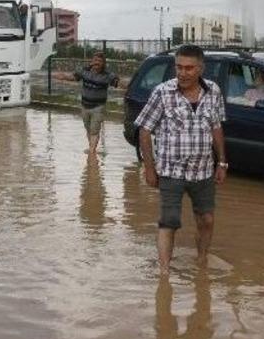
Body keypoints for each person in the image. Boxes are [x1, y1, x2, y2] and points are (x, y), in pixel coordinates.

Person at [135, 44, 226, 276]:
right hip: (171, 171)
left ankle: (202, 260)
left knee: (206, 219)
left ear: (201, 68)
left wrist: (222, 162)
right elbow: (145, 130)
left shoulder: (213, 91)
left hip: (203, 170)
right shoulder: (162, 93)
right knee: (169, 222)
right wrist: (149, 167)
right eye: (179, 67)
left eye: (189, 68)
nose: (183, 73)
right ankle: (164, 273)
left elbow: (216, 126)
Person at [53, 51, 125, 155]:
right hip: (85, 106)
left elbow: (118, 83)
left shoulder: (108, 76)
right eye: (95, 60)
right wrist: (61, 76)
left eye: (100, 61)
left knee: (94, 130)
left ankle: (91, 153)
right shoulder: (85, 72)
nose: (97, 63)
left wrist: (129, 85)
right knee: (88, 129)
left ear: (103, 63)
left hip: (98, 107)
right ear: (91, 61)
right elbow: (73, 77)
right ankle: (92, 149)